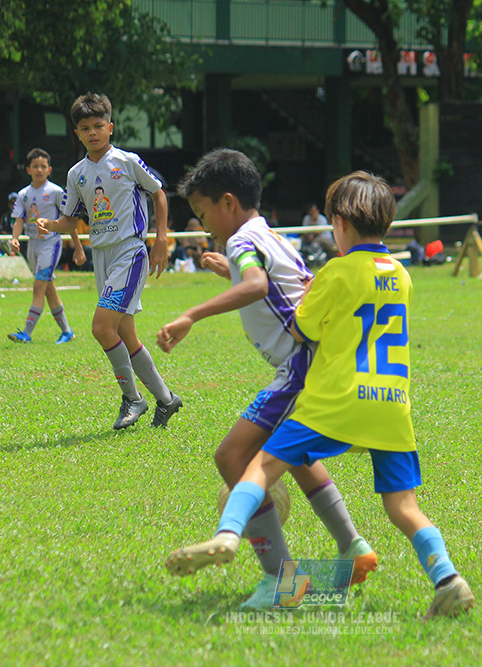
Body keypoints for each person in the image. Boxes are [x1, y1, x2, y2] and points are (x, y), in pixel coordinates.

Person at [165, 171, 475, 620]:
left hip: (336, 402)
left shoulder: (334, 271)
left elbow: (300, 326)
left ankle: (232, 536)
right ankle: (448, 579)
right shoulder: (403, 275)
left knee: (260, 463)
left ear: (341, 223)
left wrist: (309, 296)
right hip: (392, 407)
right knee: (405, 507)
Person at [157, 150, 378, 609]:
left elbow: (258, 287)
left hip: (298, 365)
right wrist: (230, 269)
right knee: (293, 453)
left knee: (232, 455)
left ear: (229, 203)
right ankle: (352, 545)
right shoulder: (269, 235)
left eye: (203, 213)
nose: (203, 226)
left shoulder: (240, 242)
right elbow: (293, 283)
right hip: (317, 358)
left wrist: (190, 314)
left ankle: (281, 579)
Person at [37, 93, 181, 430]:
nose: (92, 132)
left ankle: (133, 398)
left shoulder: (127, 162)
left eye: (98, 126)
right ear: (77, 134)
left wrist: (161, 239)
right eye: (85, 128)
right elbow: (70, 220)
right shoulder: (77, 174)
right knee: (125, 333)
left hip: (129, 252)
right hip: (101, 256)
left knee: (101, 327)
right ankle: (166, 399)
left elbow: (158, 193)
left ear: (110, 127)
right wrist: (51, 225)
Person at [6, 148, 84, 345]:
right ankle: (67, 332)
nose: (39, 170)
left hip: (51, 244)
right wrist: (15, 238)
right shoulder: (23, 194)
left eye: (43, 166)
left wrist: (78, 247)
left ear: (49, 169)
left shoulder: (56, 192)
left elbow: (70, 220)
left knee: (38, 287)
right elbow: (18, 220)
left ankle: (26, 333)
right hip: (33, 245)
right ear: (28, 169)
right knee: (48, 289)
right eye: (35, 166)